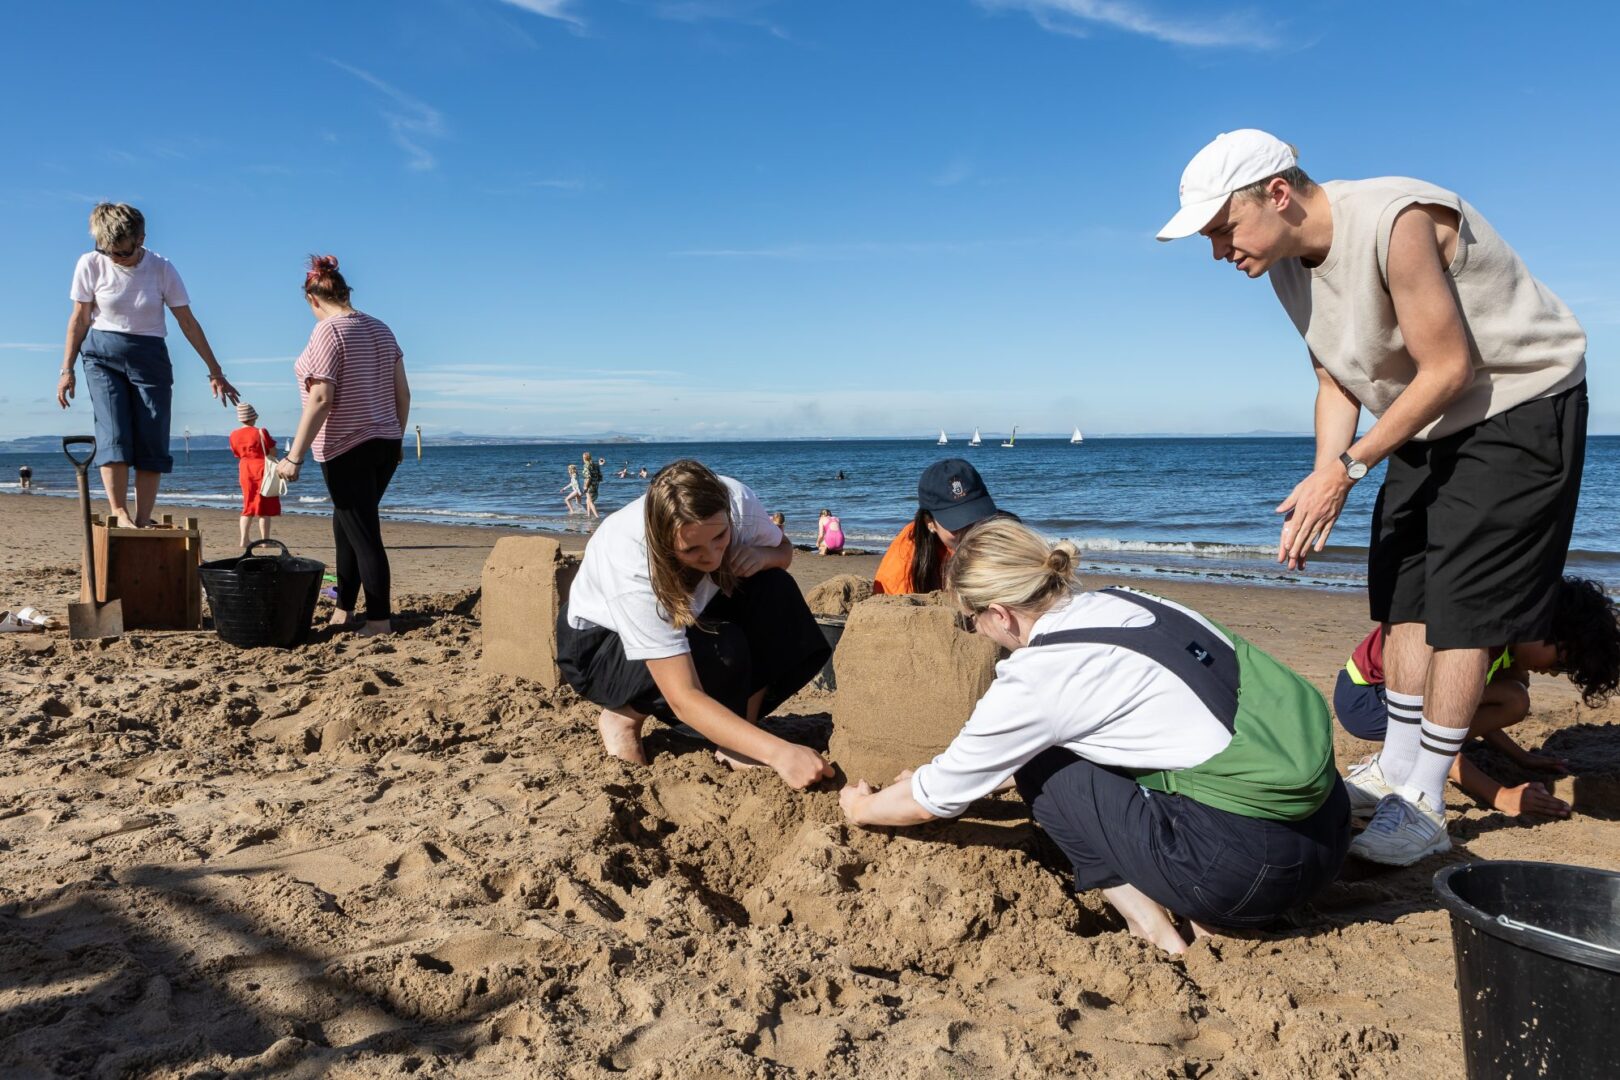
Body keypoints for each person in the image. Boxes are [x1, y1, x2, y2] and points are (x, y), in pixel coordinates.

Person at [1157, 130, 1588, 866]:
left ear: (1279, 194)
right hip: (1428, 412)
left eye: (1223, 228)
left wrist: (1350, 470)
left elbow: (1449, 365)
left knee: (1463, 607)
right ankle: (1395, 764)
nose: (1219, 251)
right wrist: (1326, 478)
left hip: (1515, 400)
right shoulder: (1288, 265)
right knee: (1402, 590)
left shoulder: (1394, 223)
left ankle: (1425, 799)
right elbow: (1335, 381)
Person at [840, 518, 1349, 954]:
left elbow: (934, 800)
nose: (975, 634)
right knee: (1053, 747)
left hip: (1246, 878)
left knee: (1041, 765)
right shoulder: (1128, 600)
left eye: (971, 619)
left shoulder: (1038, 675)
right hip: (1327, 832)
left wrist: (862, 807)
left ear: (999, 613)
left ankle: (1152, 925)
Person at [556, 459, 835, 791]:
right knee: (726, 648)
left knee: (776, 590)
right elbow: (682, 695)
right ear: (664, 542)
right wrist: (780, 754)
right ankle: (624, 716)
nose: (713, 556)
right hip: (601, 648)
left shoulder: (737, 500)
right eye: (692, 549)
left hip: (691, 613)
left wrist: (762, 557)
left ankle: (739, 738)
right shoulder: (633, 559)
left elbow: (784, 551)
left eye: (720, 537)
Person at [1336, 576, 1620, 819]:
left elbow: (1463, 708)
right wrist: (1500, 795)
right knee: (1513, 696)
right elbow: (1440, 723)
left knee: (1514, 688)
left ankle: (1398, 752)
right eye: (1560, 662)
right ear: (1540, 626)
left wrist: (1521, 757)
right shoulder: (1475, 638)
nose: (1554, 673)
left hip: (1395, 700)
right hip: (1365, 697)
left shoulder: (1504, 641)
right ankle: (1397, 756)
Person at [58, 202, 239, 528]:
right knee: (114, 431)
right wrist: (66, 369)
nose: (116, 259)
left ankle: (142, 518)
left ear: (141, 238)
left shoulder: (161, 268)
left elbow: (187, 321)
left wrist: (216, 371)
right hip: (101, 356)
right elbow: (80, 318)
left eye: (123, 254)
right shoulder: (90, 263)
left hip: (150, 356)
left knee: (152, 436)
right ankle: (120, 513)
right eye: (110, 252)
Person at [275, 255, 409, 637]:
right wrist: (397, 437)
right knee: (346, 528)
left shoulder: (328, 332)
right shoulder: (382, 329)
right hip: (384, 443)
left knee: (364, 532)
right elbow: (403, 392)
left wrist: (293, 457)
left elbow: (320, 397)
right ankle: (344, 609)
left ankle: (380, 619)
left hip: (346, 446)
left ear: (312, 300)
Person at [872, 458, 1000, 594]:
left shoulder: (1006, 532)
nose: (971, 530)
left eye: (977, 515)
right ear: (929, 522)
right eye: (958, 522)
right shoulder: (905, 564)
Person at [229, 402, 281, 549]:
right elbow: (273, 452)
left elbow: (236, 454)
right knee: (264, 505)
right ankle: (265, 541)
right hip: (261, 468)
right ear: (254, 417)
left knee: (248, 504)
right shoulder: (261, 431)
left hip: (245, 468)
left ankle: (244, 539)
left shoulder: (233, 434)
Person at [580, 450, 602, 519]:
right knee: (588, 500)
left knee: (590, 501)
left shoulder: (586, 466)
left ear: (584, 458)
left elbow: (588, 477)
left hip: (589, 485)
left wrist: (586, 486)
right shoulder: (595, 464)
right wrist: (597, 482)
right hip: (596, 484)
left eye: (583, 457)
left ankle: (597, 517)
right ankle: (588, 514)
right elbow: (600, 475)